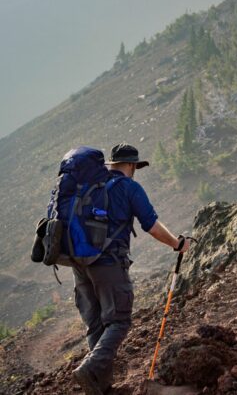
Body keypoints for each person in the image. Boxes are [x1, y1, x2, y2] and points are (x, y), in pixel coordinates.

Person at [71, 143, 191, 395]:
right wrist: (177, 243)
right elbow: (152, 226)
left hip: (79, 264)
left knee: (96, 325)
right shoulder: (129, 187)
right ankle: (90, 368)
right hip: (108, 263)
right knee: (119, 322)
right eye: (135, 166)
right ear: (131, 165)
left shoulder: (89, 186)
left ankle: (100, 387)